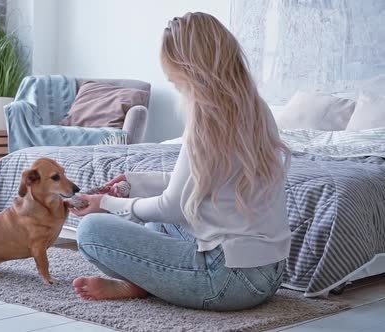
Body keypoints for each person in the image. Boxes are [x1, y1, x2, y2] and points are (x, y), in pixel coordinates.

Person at [69, 12, 291, 311]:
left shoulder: (206, 119)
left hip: (227, 280)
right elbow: (199, 184)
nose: (172, 81)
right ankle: (144, 283)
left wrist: (107, 205)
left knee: (92, 230)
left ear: (188, 67)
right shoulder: (254, 107)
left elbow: (171, 206)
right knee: (154, 223)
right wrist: (134, 184)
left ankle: (145, 282)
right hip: (269, 273)